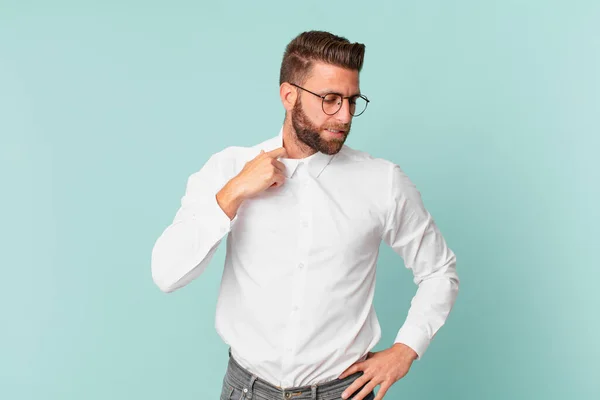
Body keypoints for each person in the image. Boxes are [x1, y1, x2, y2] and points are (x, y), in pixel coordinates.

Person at [151, 30, 459, 400]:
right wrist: (233, 193)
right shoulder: (228, 168)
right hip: (246, 390)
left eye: (351, 100)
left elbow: (439, 272)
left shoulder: (382, 181)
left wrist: (406, 349)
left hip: (341, 393)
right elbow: (167, 275)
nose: (344, 116)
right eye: (330, 100)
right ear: (288, 95)